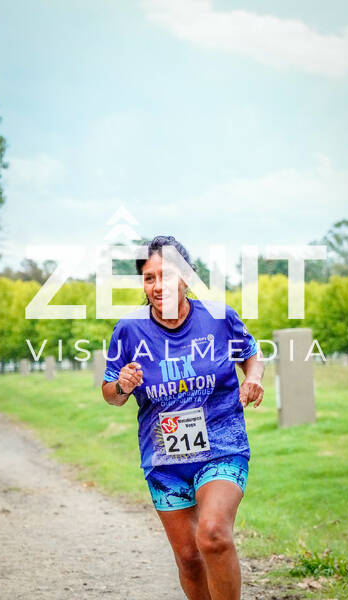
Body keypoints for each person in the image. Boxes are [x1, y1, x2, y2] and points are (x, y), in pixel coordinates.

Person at [102, 235, 264, 600]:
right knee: (189, 558)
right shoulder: (129, 330)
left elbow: (252, 354)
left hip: (221, 446)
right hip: (165, 460)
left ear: (187, 277)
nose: (158, 286)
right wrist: (122, 385)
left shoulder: (219, 319)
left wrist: (253, 378)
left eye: (167, 275)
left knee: (213, 535)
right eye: (149, 278)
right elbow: (111, 394)